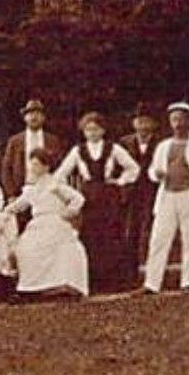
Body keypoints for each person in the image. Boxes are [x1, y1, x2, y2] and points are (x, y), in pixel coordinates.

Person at [53, 111, 141, 293]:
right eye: (88, 129)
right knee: (90, 236)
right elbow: (60, 175)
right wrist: (71, 194)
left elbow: (134, 168)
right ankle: (93, 281)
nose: (92, 133)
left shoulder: (113, 148)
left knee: (111, 235)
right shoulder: (78, 150)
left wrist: (120, 182)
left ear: (102, 130)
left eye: (95, 129)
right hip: (88, 197)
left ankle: (114, 281)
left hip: (109, 196)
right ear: (83, 131)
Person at [142, 103, 189, 293]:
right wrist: (156, 174)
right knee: (159, 239)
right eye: (174, 120)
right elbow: (152, 170)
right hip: (167, 195)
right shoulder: (163, 146)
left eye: (181, 119)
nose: (177, 124)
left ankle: (188, 282)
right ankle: (152, 283)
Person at [5, 148, 88, 298]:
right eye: (31, 164)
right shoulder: (31, 188)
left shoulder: (55, 184)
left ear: (46, 167)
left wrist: (70, 211)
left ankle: (58, 285)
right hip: (37, 224)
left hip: (56, 221)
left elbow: (78, 198)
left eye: (36, 164)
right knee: (25, 248)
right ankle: (30, 288)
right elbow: (19, 205)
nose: (33, 168)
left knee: (54, 245)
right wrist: (6, 211)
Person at [118, 102, 163, 280]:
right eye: (139, 121)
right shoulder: (125, 142)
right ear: (134, 123)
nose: (143, 126)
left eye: (146, 122)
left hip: (153, 193)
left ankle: (153, 272)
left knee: (151, 231)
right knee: (131, 232)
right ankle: (131, 272)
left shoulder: (161, 142)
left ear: (153, 124)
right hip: (131, 195)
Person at [2, 99, 66, 202]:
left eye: (38, 113)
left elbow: (60, 167)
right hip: (22, 191)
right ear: (24, 118)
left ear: (43, 118)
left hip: (47, 192)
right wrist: (11, 194)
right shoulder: (15, 141)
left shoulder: (52, 141)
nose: (34, 117)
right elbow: (6, 169)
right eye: (30, 114)